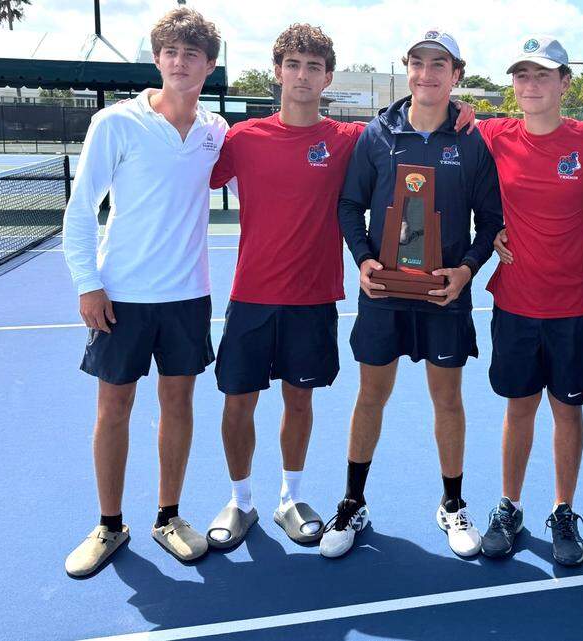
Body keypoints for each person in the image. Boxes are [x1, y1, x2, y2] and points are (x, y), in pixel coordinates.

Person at [320, 29, 503, 559]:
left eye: (438, 65)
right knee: (370, 395)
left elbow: (490, 219)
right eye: (417, 64)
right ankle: (353, 502)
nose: (426, 74)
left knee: (447, 399)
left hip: (445, 294)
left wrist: (466, 271)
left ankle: (452, 504)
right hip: (384, 291)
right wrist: (364, 259)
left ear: (456, 74)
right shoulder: (377, 134)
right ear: (407, 70)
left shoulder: (472, 141)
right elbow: (350, 206)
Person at [62, 7, 227, 577]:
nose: (180, 63)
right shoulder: (116, 123)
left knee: (178, 405)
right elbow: (81, 208)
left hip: (187, 298)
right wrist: (89, 284)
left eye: (192, 54)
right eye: (170, 53)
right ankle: (109, 525)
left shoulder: (215, 131)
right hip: (121, 297)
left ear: (209, 64)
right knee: (114, 408)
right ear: (158, 60)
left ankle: (169, 515)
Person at [202, 24, 361, 550]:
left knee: (300, 401)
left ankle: (290, 497)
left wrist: (464, 112)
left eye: (313, 66)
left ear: (327, 77)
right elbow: (184, 172)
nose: (302, 75)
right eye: (293, 64)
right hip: (251, 297)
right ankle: (241, 501)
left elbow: (414, 129)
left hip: (313, 300)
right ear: (277, 72)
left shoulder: (348, 140)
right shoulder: (243, 139)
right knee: (236, 403)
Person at [470, 36, 583, 566]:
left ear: (565, 83)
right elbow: (441, 141)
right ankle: (509, 507)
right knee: (519, 409)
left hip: (577, 305)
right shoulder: (491, 134)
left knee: (568, 410)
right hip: (515, 301)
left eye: (543, 75)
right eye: (522, 75)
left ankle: (562, 511)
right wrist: (487, 230)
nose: (531, 85)